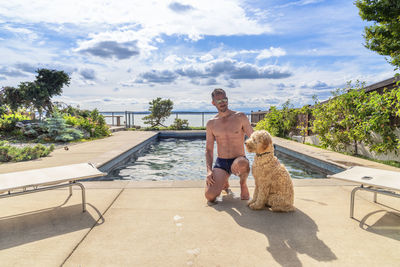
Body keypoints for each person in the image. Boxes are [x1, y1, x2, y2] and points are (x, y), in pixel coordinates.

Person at [205, 88, 254, 202]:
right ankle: (224, 180)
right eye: (219, 101)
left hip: (239, 160)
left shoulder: (240, 117)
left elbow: (253, 137)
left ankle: (243, 184)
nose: (222, 102)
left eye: (224, 99)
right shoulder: (211, 123)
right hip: (222, 162)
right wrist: (209, 171)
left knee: (241, 162)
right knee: (210, 196)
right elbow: (208, 149)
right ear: (213, 103)